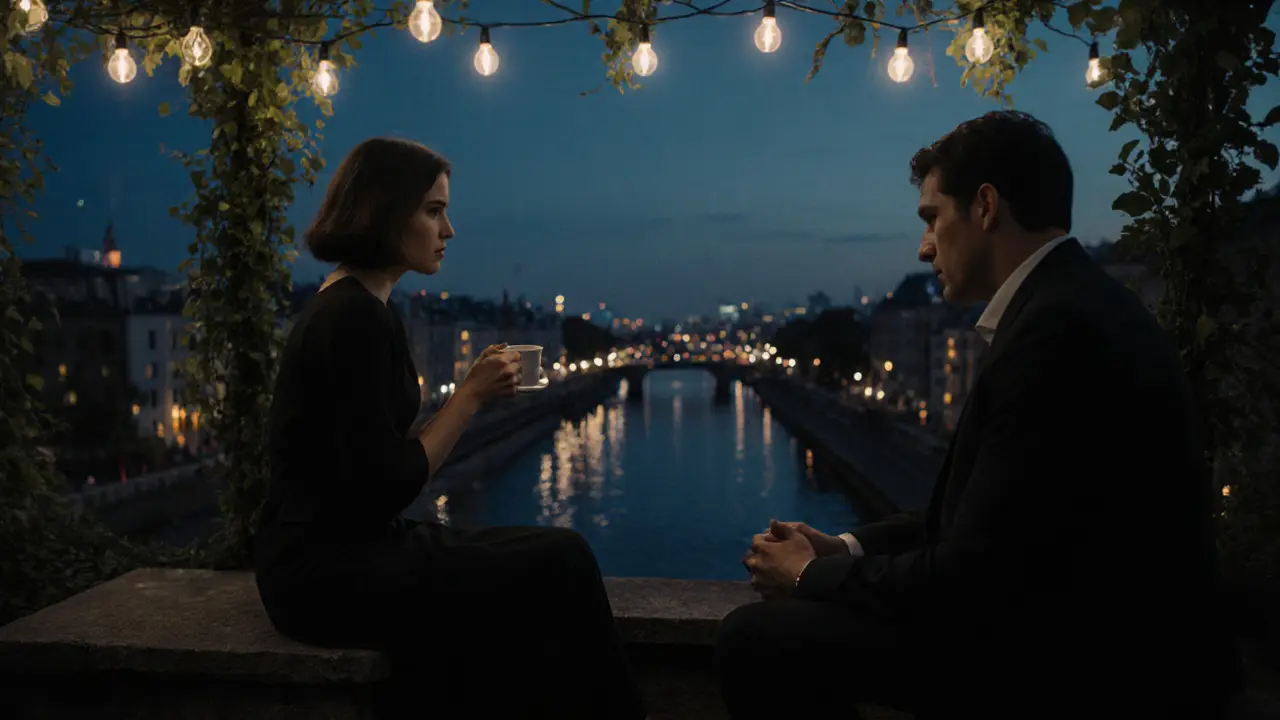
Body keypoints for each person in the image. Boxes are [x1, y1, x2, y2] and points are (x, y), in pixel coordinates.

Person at [718, 111, 1240, 718]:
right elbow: (978, 519)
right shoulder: (1072, 306)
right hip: (1089, 634)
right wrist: (842, 549)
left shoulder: (1056, 333)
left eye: (932, 218)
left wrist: (809, 577)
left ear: (986, 206)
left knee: (756, 640)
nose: (923, 246)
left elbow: (971, 576)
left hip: (1092, 669)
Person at [253, 137, 647, 719]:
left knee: (555, 553)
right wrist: (469, 398)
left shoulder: (355, 306)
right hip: (325, 574)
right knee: (560, 560)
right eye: (434, 211)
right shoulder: (355, 317)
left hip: (333, 556)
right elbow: (388, 483)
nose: (450, 229)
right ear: (385, 213)